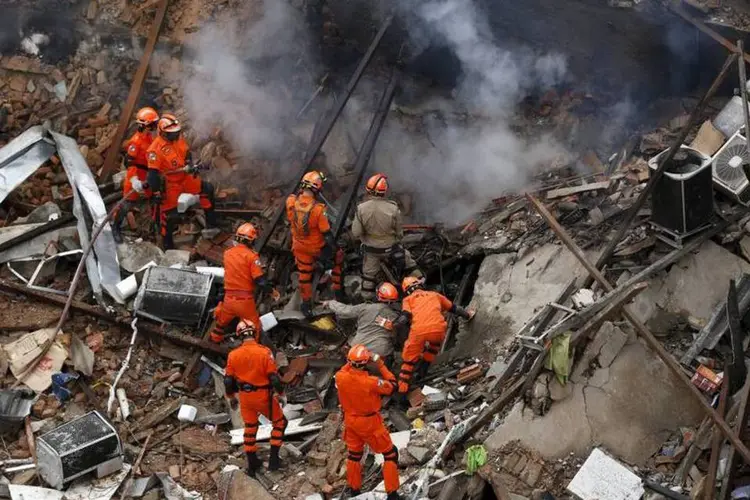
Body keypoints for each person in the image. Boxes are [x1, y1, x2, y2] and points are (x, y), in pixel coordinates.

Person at [335, 344, 401, 500]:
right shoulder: (371, 382)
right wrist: (380, 364)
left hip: (350, 421)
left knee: (354, 456)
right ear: (365, 363)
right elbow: (393, 385)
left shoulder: (340, 376)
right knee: (391, 454)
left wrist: (354, 359)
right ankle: (392, 494)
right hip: (369, 422)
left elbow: (348, 367)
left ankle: (354, 491)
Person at [224, 320, 287, 475]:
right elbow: (274, 377)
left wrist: (231, 397)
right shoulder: (264, 352)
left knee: (251, 428)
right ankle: (273, 460)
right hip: (263, 396)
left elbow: (228, 380)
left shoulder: (233, 355)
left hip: (245, 397)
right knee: (280, 423)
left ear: (239, 335)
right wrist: (281, 394)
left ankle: (252, 463)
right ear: (255, 333)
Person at [146, 113, 216, 249]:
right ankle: (168, 245)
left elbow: (187, 153)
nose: (176, 135)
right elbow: (152, 175)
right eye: (173, 133)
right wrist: (156, 193)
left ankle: (211, 225)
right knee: (169, 216)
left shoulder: (179, 139)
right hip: (170, 183)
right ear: (163, 133)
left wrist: (189, 163)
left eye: (177, 132)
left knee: (207, 189)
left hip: (185, 176)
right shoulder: (155, 150)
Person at [397, 277, 475, 395]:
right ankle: (422, 372)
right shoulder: (434, 295)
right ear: (420, 285)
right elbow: (454, 309)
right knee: (433, 347)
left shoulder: (408, 300)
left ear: (406, 291)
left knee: (409, 360)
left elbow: (405, 316)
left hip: (418, 332)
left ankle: (402, 391)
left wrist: (396, 324)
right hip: (438, 329)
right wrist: (467, 315)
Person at [352, 173, 422, 301]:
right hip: (391, 248)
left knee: (368, 277)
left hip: (372, 251)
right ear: (385, 191)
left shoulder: (361, 208)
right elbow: (399, 233)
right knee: (410, 265)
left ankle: (368, 302)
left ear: (368, 190)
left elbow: (356, 232)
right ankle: (422, 287)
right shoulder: (393, 208)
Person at [285, 170, 343, 317]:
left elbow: (292, 199)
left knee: (304, 275)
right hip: (316, 248)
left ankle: (306, 305)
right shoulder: (318, 210)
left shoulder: (291, 202)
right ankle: (338, 291)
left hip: (299, 247)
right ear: (317, 189)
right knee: (338, 258)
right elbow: (327, 235)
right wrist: (335, 250)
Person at [210, 222, 276, 343]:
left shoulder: (227, 254)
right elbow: (260, 281)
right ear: (250, 241)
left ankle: (214, 340)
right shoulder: (251, 257)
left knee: (221, 323)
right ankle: (253, 349)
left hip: (229, 299)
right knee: (254, 326)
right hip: (244, 301)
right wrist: (272, 292)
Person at [322, 282, 407, 364]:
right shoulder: (395, 316)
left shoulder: (365, 308)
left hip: (359, 349)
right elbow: (398, 336)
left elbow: (345, 311)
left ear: (378, 295)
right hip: (381, 352)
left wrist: (330, 303)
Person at [112, 107, 159, 243]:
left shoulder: (149, 137)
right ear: (146, 125)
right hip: (136, 176)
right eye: (153, 124)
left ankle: (151, 229)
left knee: (153, 201)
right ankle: (116, 227)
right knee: (127, 204)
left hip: (148, 174)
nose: (155, 126)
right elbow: (130, 162)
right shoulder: (136, 142)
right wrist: (134, 179)